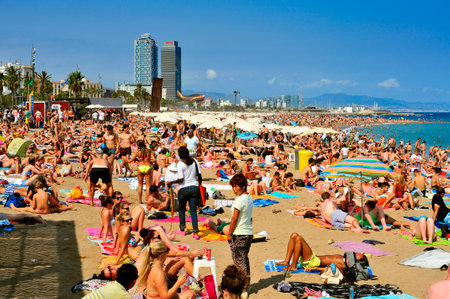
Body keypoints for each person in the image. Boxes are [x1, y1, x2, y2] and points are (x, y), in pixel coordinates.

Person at [276, 233, 369, 272]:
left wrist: (315, 268)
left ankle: (294, 266)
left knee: (299, 239)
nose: (357, 253)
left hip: (312, 261)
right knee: (294, 235)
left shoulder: (344, 265)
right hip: (313, 258)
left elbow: (329, 270)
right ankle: (286, 261)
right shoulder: (345, 258)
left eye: (359, 255)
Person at [167, 146, 201, 240]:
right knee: (193, 210)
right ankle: (195, 232)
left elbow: (181, 179)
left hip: (184, 188)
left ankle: (182, 229)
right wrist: (200, 185)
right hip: (194, 187)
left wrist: (171, 182)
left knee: (182, 209)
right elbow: (199, 175)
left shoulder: (181, 164)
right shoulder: (195, 161)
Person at [227, 174, 253, 276]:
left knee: (239, 262)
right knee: (243, 259)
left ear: (243, 187)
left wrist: (229, 234)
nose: (234, 189)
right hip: (248, 232)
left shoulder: (240, 199)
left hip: (240, 233)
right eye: (233, 186)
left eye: (236, 186)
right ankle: (245, 283)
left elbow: (234, 219)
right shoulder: (248, 197)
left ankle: (244, 285)